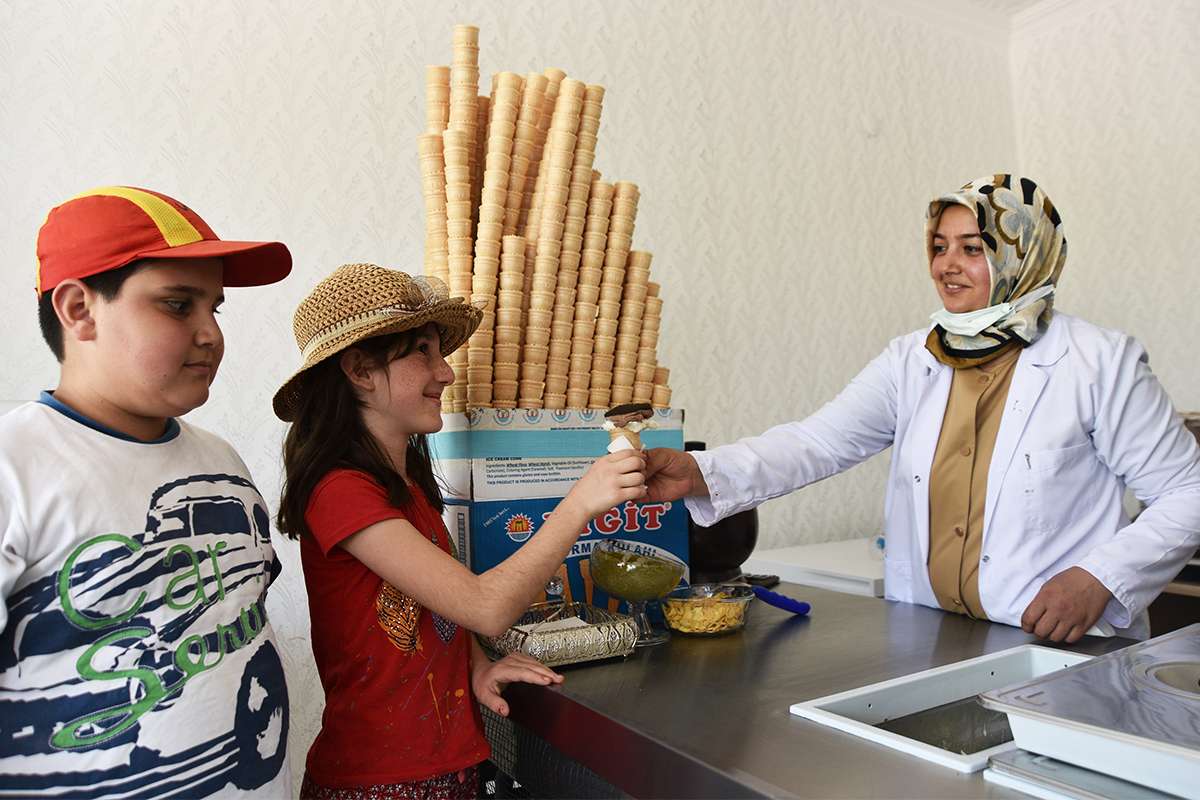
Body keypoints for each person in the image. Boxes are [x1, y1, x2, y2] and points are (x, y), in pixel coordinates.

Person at [646, 174, 1200, 643]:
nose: (946, 266)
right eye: (939, 246)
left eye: (972, 248)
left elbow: (1186, 493)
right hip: (936, 634)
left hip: (1059, 644)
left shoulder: (1101, 362)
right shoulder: (915, 357)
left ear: (1024, 255)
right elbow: (819, 441)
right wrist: (701, 471)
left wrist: (1098, 579)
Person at [273, 263, 646, 799]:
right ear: (359, 369)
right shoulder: (340, 492)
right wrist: (580, 503)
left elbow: (441, 600)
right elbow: (483, 604)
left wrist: (474, 666)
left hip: (448, 765)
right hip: (381, 783)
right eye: (422, 351)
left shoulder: (410, 484)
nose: (445, 373)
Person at [0, 186, 294, 796]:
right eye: (178, 305)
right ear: (80, 309)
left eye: (216, 308)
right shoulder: (15, 466)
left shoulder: (219, 461)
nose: (211, 333)